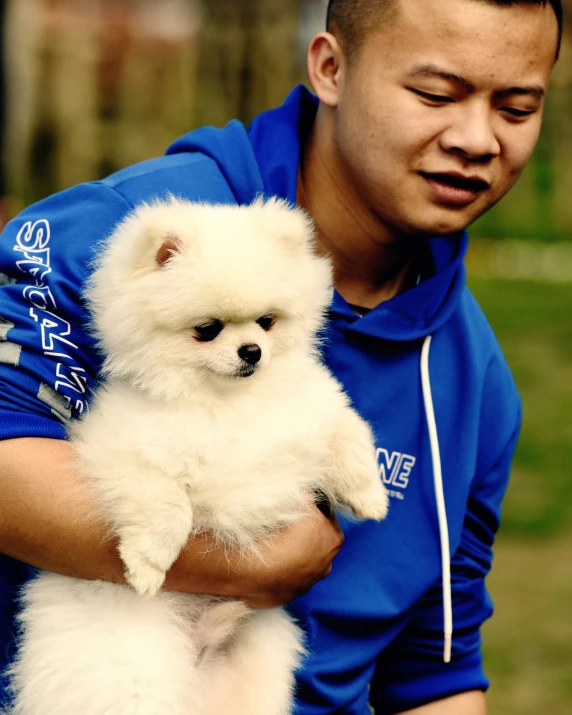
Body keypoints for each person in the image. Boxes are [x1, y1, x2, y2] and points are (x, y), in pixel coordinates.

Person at [0, 0, 563, 712]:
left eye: (516, 108)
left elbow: (432, 672)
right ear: (330, 68)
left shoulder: (476, 383)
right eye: (435, 94)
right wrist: (244, 562)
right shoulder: (113, 238)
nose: (477, 138)